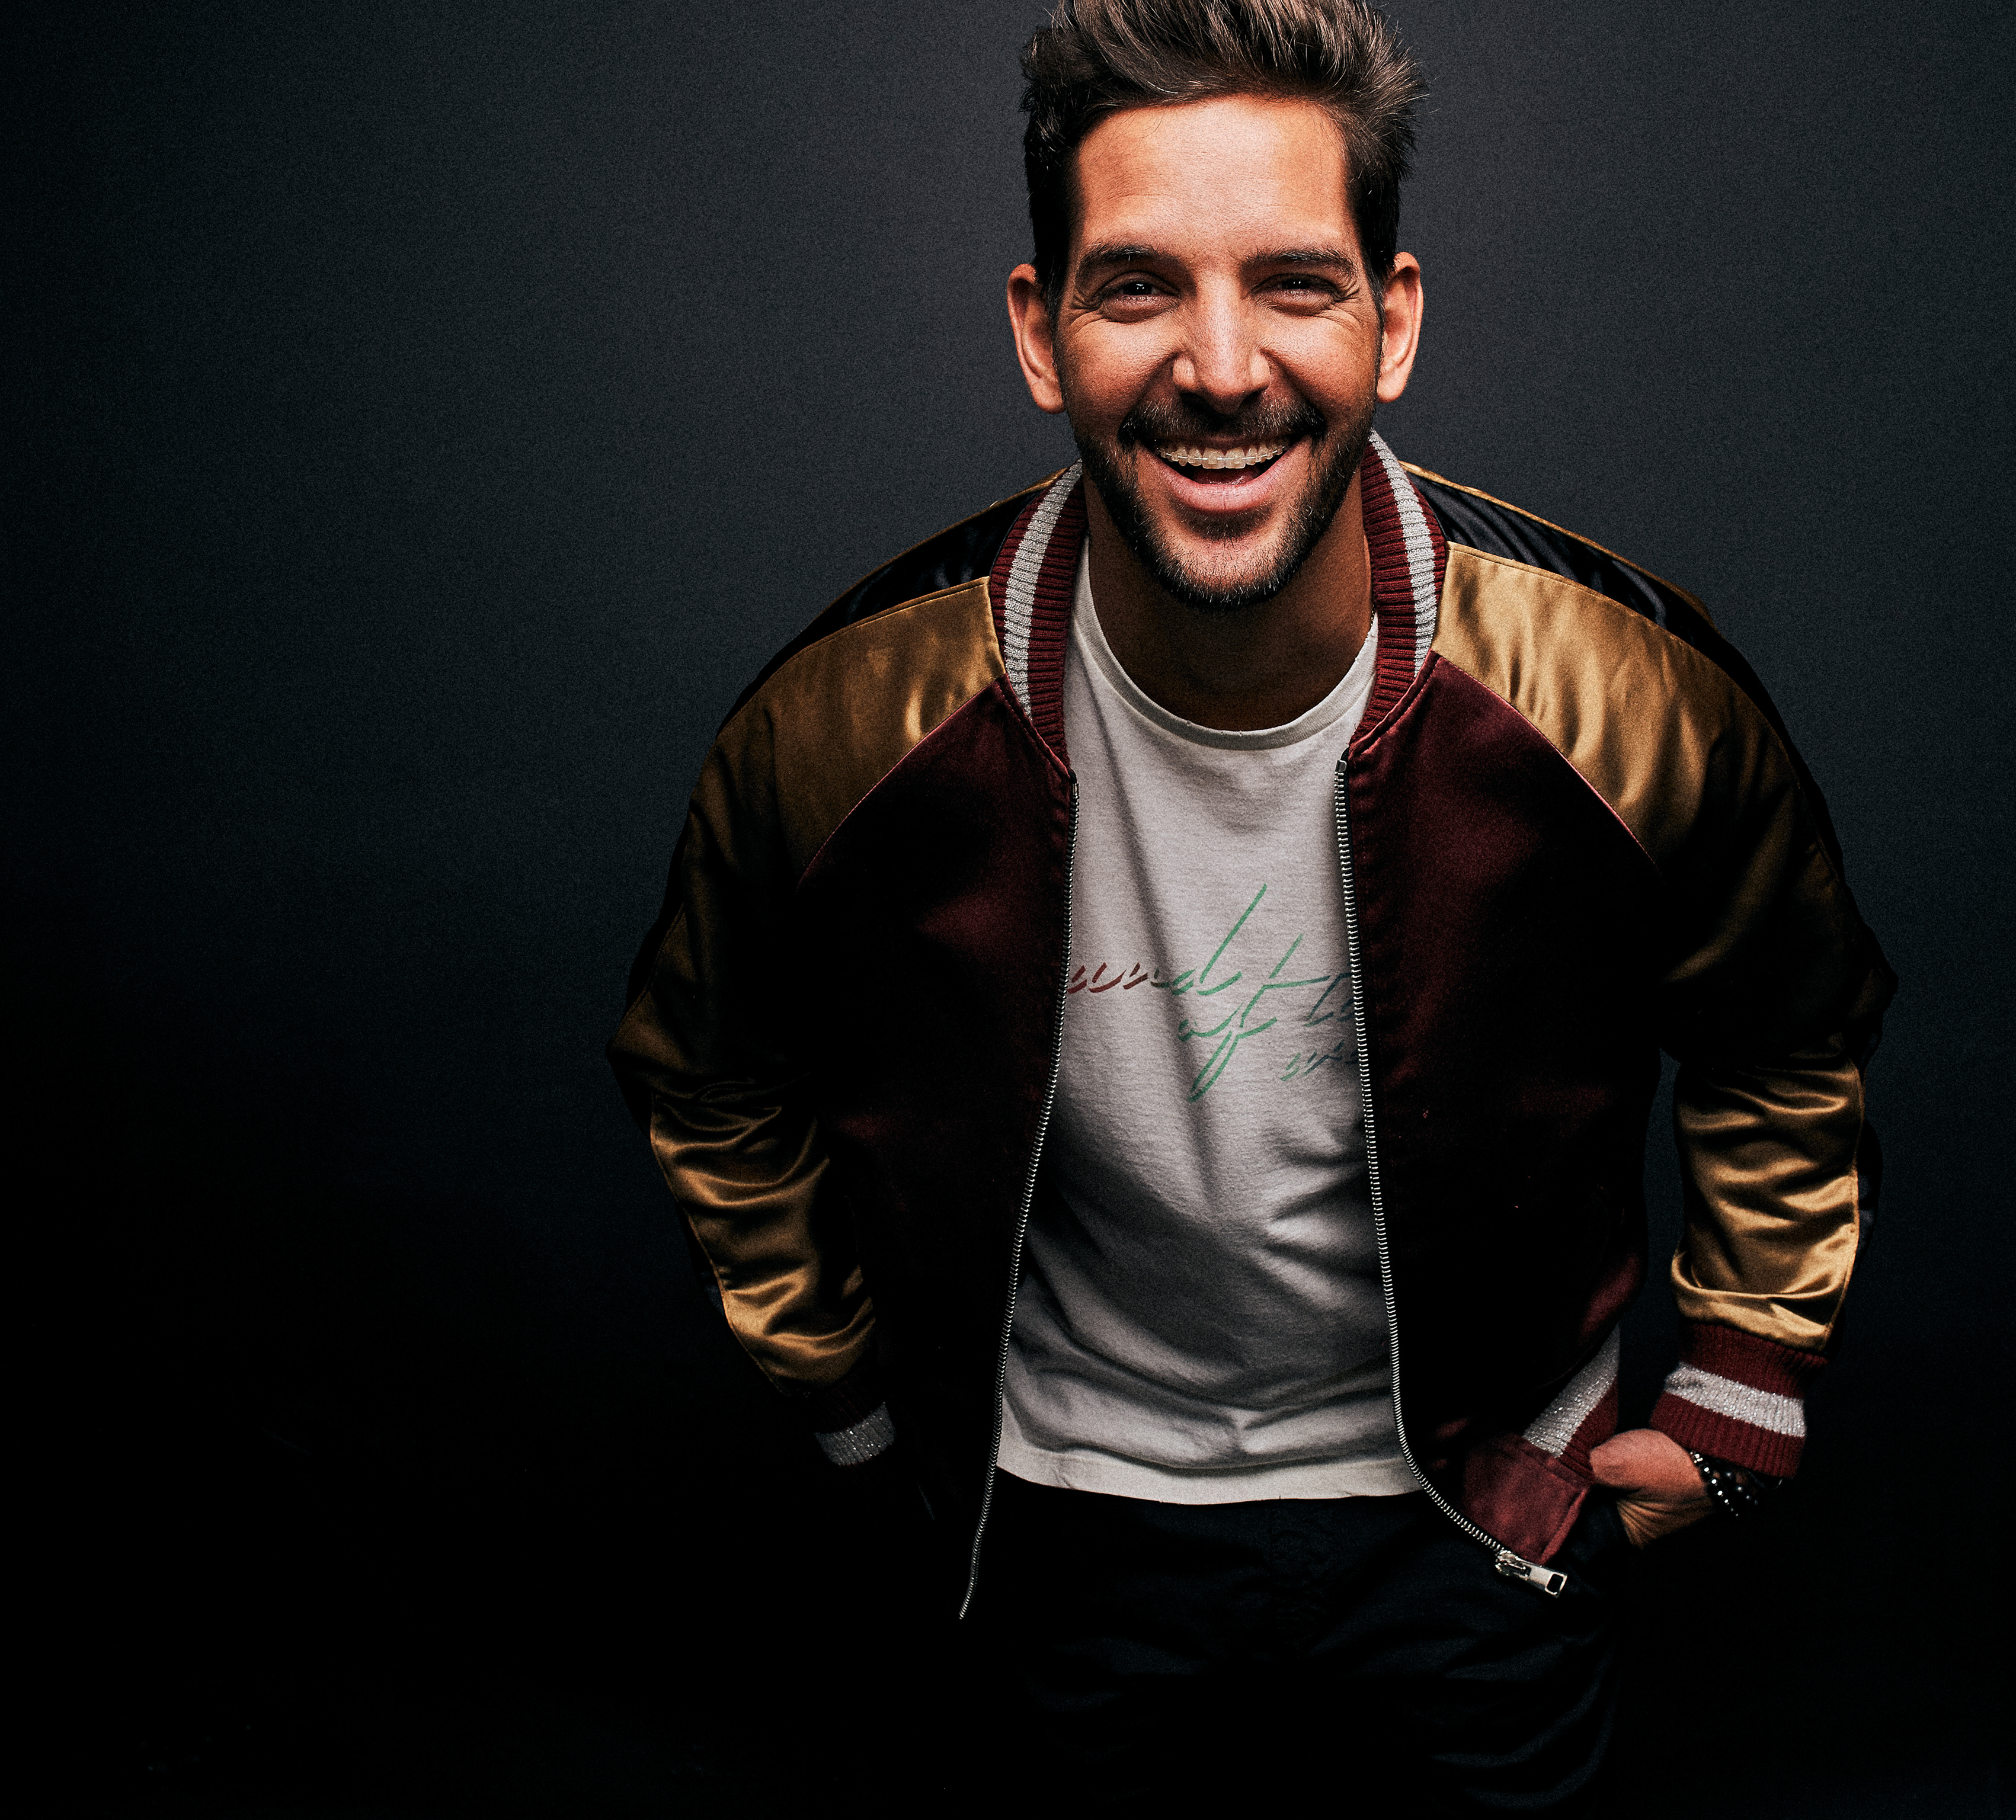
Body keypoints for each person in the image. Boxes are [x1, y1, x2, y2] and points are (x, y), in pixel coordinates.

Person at [607, 0, 1893, 1806]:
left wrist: (1741, 1390)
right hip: (1052, 1524)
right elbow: (709, 1065)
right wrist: (849, 1397)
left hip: (1487, 1512)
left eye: (1295, 284)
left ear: (1395, 320)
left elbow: (1786, 1026)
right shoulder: (844, 728)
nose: (1221, 369)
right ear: (1040, 333)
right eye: (1139, 289)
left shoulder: (1625, 703)